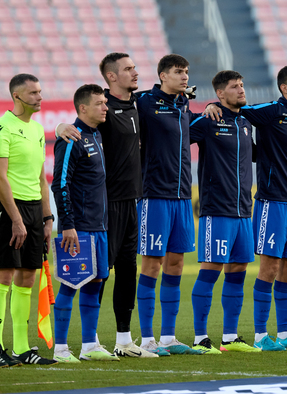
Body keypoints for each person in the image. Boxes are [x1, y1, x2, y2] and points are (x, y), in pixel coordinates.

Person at [202, 65, 287, 351]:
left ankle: (286, 333)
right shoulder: (270, 111)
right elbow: (234, 111)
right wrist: (211, 105)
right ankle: (261, 336)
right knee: (270, 269)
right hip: (271, 202)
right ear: (284, 88)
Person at [56, 53, 156, 358]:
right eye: (128, 69)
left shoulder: (139, 104)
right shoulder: (102, 113)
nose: (135, 72)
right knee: (92, 275)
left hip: (131, 202)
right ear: (111, 77)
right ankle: (83, 342)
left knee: (127, 271)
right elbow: (68, 150)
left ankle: (123, 340)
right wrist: (62, 126)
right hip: (103, 207)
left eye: (134, 67)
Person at [135, 54, 201, 355]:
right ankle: (146, 339)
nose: (184, 76)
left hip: (183, 198)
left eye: (186, 71)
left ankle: (168, 338)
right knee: (152, 263)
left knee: (176, 263)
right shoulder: (145, 101)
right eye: (178, 71)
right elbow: (113, 106)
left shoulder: (184, 104)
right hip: (155, 196)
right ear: (163, 75)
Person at [190, 70, 259, 353]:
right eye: (235, 87)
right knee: (211, 269)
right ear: (220, 94)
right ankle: (199, 338)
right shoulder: (208, 120)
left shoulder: (245, 122)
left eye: (242, 85)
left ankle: (230, 337)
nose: (242, 90)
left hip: (244, 210)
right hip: (216, 209)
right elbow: (178, 134)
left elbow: (255, 154)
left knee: (238, 269)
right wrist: (206, 107)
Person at [51, 84, 119, 362]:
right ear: (82, 108)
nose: (106, 107)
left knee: (96, 283)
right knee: (70, 284)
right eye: (100, 103)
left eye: (105, 102)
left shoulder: (97, 135)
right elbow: (60, 183)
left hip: (100, 226)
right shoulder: (71, 139)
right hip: (78, 228)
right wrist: (68, 224)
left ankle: (89, 345)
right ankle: (60, 349)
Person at [0, 74, 56, 366]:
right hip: (9, 210)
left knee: (28, 276)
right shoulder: (3, 127)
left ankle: (22, 349)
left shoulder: (36, 129)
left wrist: (47, 217)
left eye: (40, 91)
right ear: (18, 97)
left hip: (35, 210)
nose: (39, 96)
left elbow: (40, 178)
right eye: (33, 92)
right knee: (5, 275)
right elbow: (0, 178)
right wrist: (16, 219)